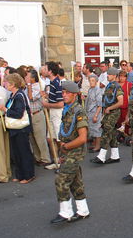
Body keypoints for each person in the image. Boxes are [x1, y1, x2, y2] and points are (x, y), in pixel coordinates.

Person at [50, 81, 90, 224]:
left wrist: (66, 147)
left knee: (61, 180)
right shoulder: (68, 109)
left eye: (67, 93)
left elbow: (82, 138)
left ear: (74, 94)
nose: (64, 95)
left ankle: (65, 212)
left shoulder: (79, 111)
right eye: (63, 92)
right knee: (75, 181)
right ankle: (83, 210)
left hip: (75, 151)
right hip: (67, 150)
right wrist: (63, 151)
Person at [0, 73, 35, 184]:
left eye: (6, 82)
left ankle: (29, 175)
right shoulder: (13, 95)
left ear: (12, 84)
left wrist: (5, 109)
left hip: (21, 128)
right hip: (15, 129)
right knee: (17, 153)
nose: (4, 84)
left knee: (23, 152)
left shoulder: (19, 96)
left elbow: (18, 113)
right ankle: (20, 175)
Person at [91, 67, 123, 164]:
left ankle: (101, 156)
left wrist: (110, 108)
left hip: (113, 113)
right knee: (112, 133)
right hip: (108, 112)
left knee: (106, 133)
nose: (108, 76)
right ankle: (115, 155)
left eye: (109, 74)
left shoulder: (116, 86)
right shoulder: (109, 86)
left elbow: (121, 101)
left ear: (114, 76)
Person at [25, 70, 52, 166]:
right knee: (32, 138)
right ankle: (38, 157)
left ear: (32, 78)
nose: (26, 78)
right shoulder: (27, 87)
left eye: (27, 76)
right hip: (29, 115)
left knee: (40, 137)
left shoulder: (38, 86)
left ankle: (45, 158)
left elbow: (31, 97)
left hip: (37, 114)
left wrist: (28, 85)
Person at [41, 61, 64, 169]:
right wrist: (46, 96)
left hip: (57, 113)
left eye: (45, 69)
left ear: (50, 71)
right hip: (52, 112)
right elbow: (54, 99)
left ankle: (63, 160)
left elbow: (60, 104)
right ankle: (56, 160)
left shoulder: (57, 83)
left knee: (59, 139)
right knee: (50, 138)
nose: (43, 70)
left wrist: (47, 104)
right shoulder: (51, 83)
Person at [0, 72, 11, 183]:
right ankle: (7, 171)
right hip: (3, 119)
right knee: (5, 148)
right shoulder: (3, 90)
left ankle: (2, 175)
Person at [85, 74, 103, 153]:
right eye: (90, 81)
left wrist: (96, 115)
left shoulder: (98, 90)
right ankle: (95, 144)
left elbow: (100, 104)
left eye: (93, 81)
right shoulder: (90, 90)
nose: (91, 82)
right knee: (92, 129)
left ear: (96, 81)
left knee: (97, 129)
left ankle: (98, 146)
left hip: (95, 112)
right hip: (90, 112)